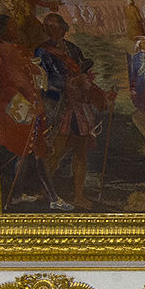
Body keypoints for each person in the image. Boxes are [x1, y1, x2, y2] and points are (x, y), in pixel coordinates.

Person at [33, 13, 104, 211]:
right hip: (59, 106)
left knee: (81, 150)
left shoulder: (72, 48)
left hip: (78, 106)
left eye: (60, 27)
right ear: (48, 30)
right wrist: (69, 82)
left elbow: (82, 66)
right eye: (53, 28)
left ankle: (78, 195)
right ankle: (46, 192)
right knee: (55, 151)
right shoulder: (42, 52)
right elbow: (42, 79)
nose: (58, 31)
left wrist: (85, 80)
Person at [0, 17, 54, 205]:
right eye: (12, 27)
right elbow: (16, 79)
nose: (16, 30)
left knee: (29, 148)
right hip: (15, 104)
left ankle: (25, 190)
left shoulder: (13, 48)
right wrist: (32, 96)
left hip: (24, 102)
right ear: (3, 30)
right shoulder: (2, 51)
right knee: (22, 149)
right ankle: (16, 193)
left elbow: (27, 71)